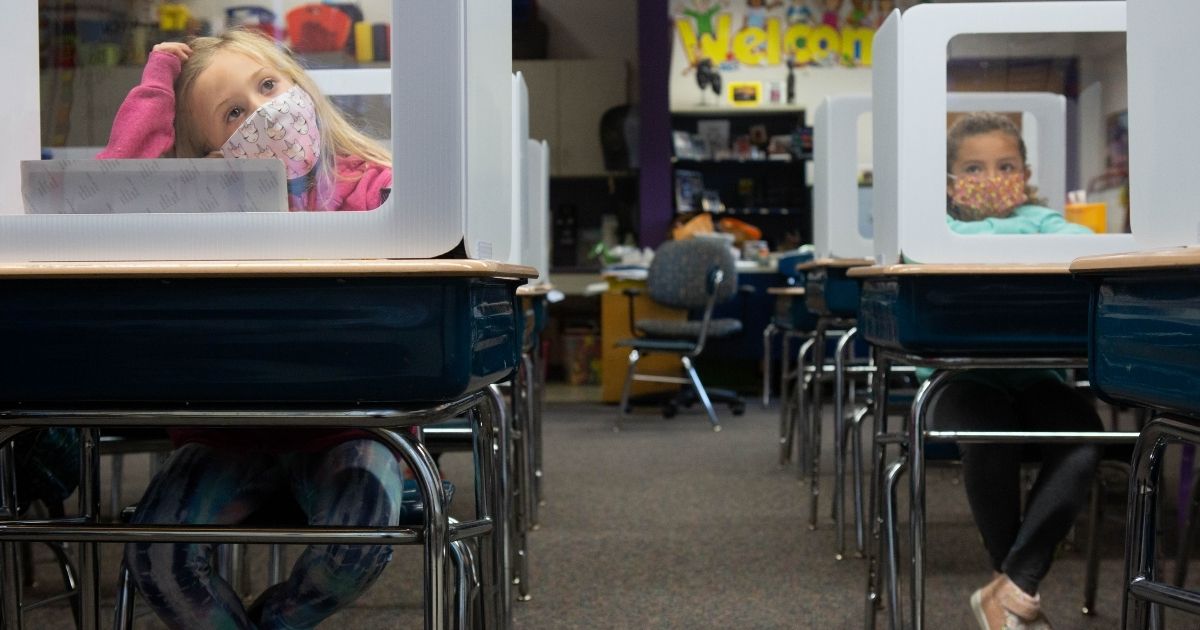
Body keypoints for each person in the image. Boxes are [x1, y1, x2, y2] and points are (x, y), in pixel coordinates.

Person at [100, 29, 402, 629]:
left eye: (269, 86)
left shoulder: (372, 189)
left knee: (359, 543)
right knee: (157, 556)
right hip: (225, 433)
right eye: (233, 112)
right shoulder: (204, 210)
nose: (265, 110)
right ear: (211, 153)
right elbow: (117, 198)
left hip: (350, 427)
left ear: (300, 87)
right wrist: (158, 85)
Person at [934, 112, 1101, 630]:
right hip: (961, 375)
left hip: (1037, 374)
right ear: (951, 183)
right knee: (989, 435)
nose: (990, 179)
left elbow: (1084, 241)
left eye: (1005, 165)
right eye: (974, 168)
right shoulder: (941, 228)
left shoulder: (1043, 223)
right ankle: (1012, 586)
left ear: (1025, 174)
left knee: (1086, 434)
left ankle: (1011, 587)